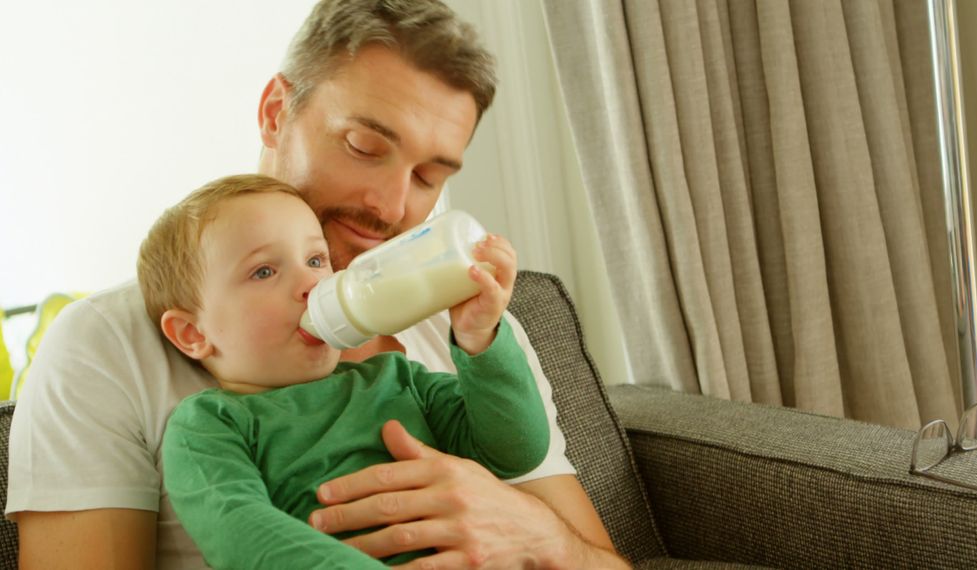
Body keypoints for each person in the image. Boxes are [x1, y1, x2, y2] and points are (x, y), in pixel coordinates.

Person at [6, 1, 629, 568]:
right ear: (277, 113)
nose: (391, 207)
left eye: (428, 177)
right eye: (364, 146)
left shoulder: (470, 333)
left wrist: (534, 534)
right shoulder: (105, 349)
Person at [142, 174, 548, 568]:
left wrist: (481, 339)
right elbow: (242, 534)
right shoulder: (209, 426)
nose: (311, 284)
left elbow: (515, 451)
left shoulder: (400, 379)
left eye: (316, 260)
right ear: (192, 332)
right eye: (264, 271)